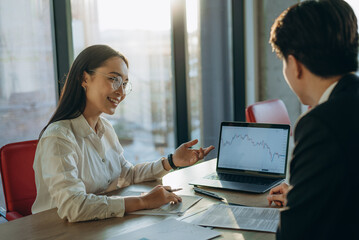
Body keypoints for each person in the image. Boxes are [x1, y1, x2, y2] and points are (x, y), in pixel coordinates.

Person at [31, 44, 214, 222]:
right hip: (57, 233)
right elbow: (74, 206)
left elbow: (127, 175)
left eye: (125, 83)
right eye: (114, 79)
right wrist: (144, 201)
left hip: (97, 227)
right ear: (84, 78)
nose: (121, 91)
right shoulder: (58, 138)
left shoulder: (105, 128)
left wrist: (171, 161)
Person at [266, 0, 359, 238]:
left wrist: (301, 205)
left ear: (295, 65)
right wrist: (306, 194)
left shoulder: (321, 125)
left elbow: (294, 234)